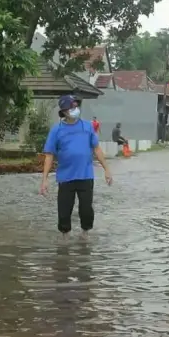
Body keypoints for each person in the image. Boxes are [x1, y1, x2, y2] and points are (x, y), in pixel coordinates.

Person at [40, 95, 113, 238]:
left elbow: (96, 149)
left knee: (86, 209)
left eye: (76, 106)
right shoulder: (56, 130)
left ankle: (85, 234)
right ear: (64, 111)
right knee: (64, 211)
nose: (75, 109)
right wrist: (45, 179)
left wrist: (107, 169)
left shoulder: (87, 126)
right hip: (65, 177)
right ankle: (65, 237)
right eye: (71, 107)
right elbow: (49, 155)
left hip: (85, 175)